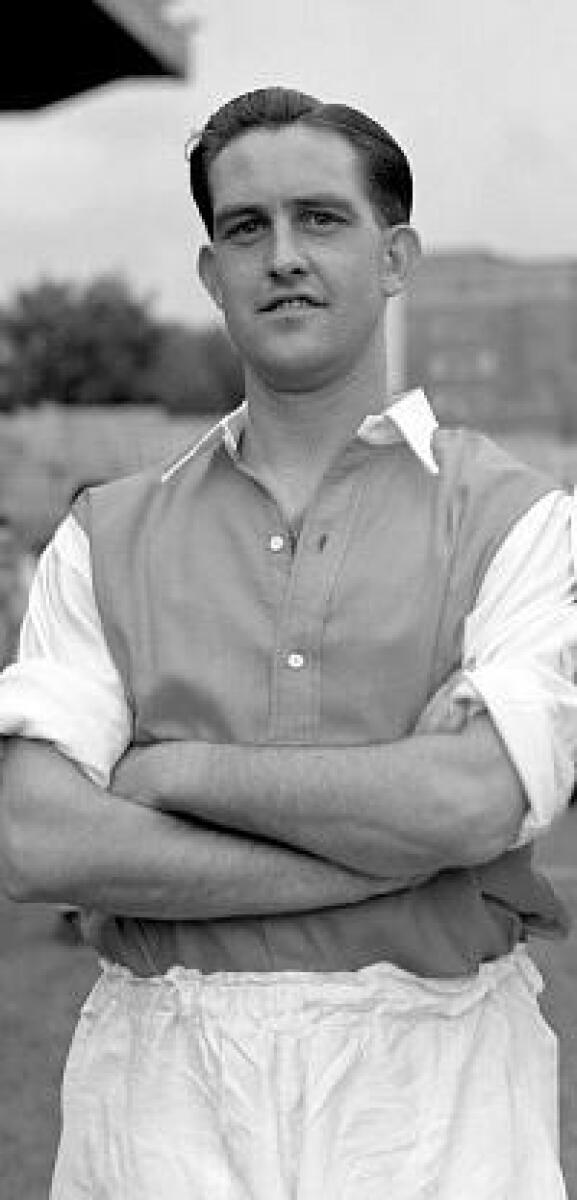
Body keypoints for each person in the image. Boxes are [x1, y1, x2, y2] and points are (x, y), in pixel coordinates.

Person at [0, 87, 576, 1199]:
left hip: (438, 1106)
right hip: (162, 1106)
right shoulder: (104, 534)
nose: (282, 257)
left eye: (321, 218)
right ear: (211, 273)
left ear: (394, 257)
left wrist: (173, 773)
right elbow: (38, 842)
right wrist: (396, 851)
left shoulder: (519, 520)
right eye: (245, 228)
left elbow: (471, 801)